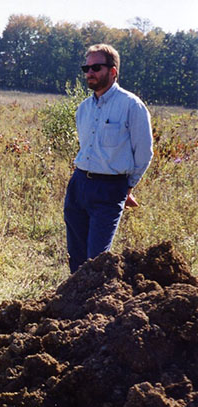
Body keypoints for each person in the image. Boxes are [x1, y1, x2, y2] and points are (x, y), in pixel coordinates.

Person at [64, 43, 153, 273]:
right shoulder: (83, 109)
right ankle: (74, 307)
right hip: (78, 185)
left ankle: (98, 305)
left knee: (97, 261)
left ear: (113, 71)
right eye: (86, 67)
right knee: (76, 256)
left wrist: (127, 187)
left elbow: (144, 153)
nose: (89, 72)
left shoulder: (132, 106)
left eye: (96, 67)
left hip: (109, 189)